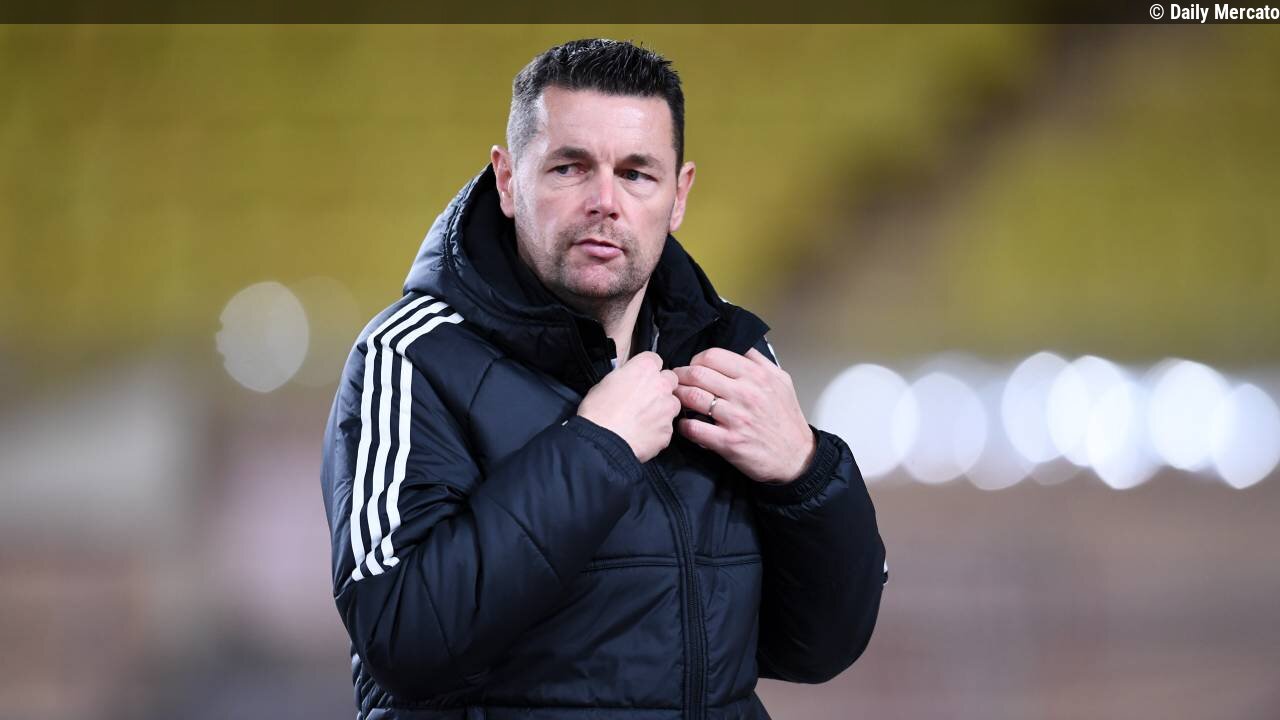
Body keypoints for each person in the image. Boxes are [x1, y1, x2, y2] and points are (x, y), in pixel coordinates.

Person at [320, 38, 886, 720]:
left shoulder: (727, 352)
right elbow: (401, 634)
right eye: (570, 167)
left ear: (678, 195)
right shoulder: (413, 356)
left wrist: (806, 473)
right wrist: (597, 449)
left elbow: (816, 649)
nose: (605, 202)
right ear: (508, 180)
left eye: (637, 174)